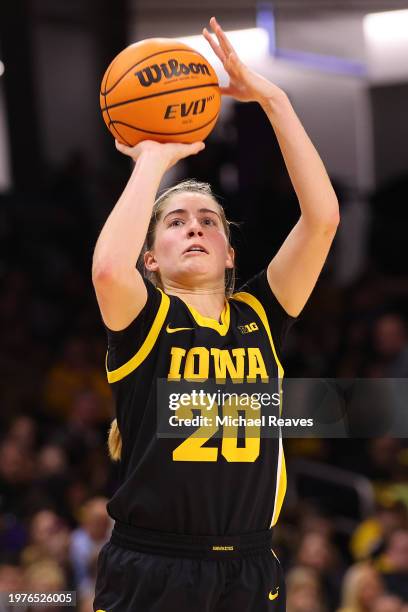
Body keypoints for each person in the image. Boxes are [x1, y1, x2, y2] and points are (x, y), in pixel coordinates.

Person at [91, 16, 339, 612]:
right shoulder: (142, 319)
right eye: (176, 222)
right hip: (154, 564)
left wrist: (273, 99)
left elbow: (323, 218)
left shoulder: (259, 313)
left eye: (209, 221)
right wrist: (152, 158)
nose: (195, 226)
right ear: (150, 258)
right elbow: (106, 270)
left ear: (231, 253)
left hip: (252, 565)